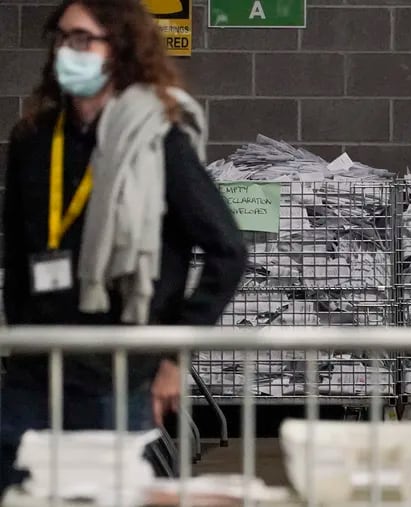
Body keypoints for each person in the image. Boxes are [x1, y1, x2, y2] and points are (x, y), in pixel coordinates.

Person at [0, 0, 246, 492]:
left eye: (83, 39)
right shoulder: (32, 140)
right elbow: (18, 254)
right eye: (62, 37)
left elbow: (227, 251)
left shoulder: (158, 142)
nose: (68, 50)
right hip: (33, 368)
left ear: (122, 49)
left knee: (108, 494)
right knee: (20, 490)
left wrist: (174, 358)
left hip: (116, 369)